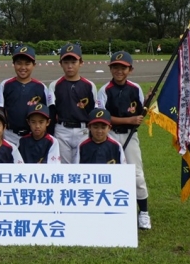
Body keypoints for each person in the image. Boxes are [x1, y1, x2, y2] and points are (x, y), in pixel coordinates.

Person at [97, 51, 151, 230]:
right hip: (110, 135)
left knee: (136, 174)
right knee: (109, 173)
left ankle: (143, 213)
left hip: (130, 135)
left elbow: (140, 114)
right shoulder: (104, 90)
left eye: (123, 67)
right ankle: (110, 210)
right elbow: (103, 118)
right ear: (110, 69)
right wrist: (129, 120)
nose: (119, 71)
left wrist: (146, 103)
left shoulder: (135, 88)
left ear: (130, 69)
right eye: (115, 67)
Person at [49, 43, 98, 164]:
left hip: (83, 130)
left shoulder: (89, 85)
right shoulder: (54, 85)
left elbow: (94, 112)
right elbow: (52, 112)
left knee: (82, 165)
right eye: (66, 62)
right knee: (64, 167)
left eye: (73, 62)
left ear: (81, 62)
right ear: (60, 63)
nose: (69, 66)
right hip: (62, 130)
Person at [0, 45, 52, 145]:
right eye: (19, 63)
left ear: (34, 65)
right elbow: (0, 110)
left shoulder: (41, 87)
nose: (23, 67)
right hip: (10, 135)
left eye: (27, 64)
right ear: (14, 64)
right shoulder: (5, 85)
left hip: (33, 136)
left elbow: (47, 113)